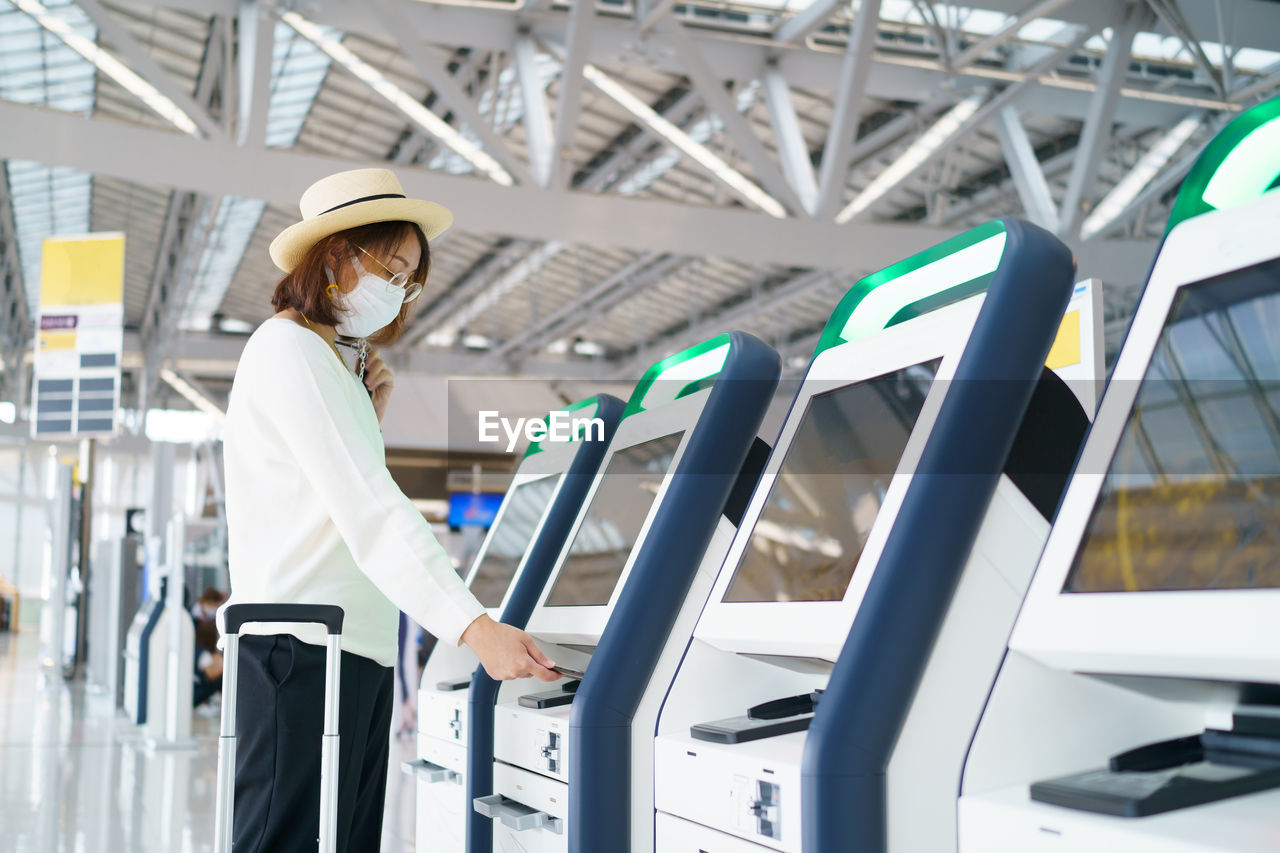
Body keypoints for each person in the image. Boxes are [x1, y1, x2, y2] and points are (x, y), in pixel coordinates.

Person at [218, 168, 560, 853]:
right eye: (391, 266)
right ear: (336, 255)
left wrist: (366, 412)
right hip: (302, 654)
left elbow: (334, 493)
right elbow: (372, 509)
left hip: (352, 653)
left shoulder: (330, 365)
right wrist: (474, 627)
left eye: (409, 276)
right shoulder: (288, 350)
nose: (400, 289)